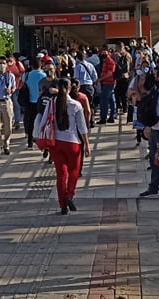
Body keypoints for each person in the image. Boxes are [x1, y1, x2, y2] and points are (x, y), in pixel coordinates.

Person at [43, 79, 90, 215]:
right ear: (70, 88)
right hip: (73, 142)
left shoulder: (51, 103)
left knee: (61, 174)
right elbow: (82, 127)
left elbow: (44, 120)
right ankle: (70, 195)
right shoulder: (76, 105)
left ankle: (62, 204)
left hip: (56, 143)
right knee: (74, 171)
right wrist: (86, 144)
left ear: (57, 88)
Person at [139, 69, 159, 197]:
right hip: (155, 127)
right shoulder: (157, 90)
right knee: (155, 159)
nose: (154, 76)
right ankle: (154, 186)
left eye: (156, 75)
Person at [22, 60, 46, 150]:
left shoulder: (27, 75)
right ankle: (40, 139)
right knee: (41, 121)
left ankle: (30, 141)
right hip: (41, 101)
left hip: (30, 101)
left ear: (32, 66)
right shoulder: (44, 76)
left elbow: (22, 84)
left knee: (31, 121)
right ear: (41, 66)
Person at [96, 50, 117, 125]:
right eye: (102, 54)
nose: (102, 55)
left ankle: (103, 118)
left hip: (108, 83)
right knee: (111, 100)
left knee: (104, 101)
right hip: (107, 83)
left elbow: (109, 74)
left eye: (104, 54)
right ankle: (112, 116)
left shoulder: (110, 62)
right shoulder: (105, 62)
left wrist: (99, 79)